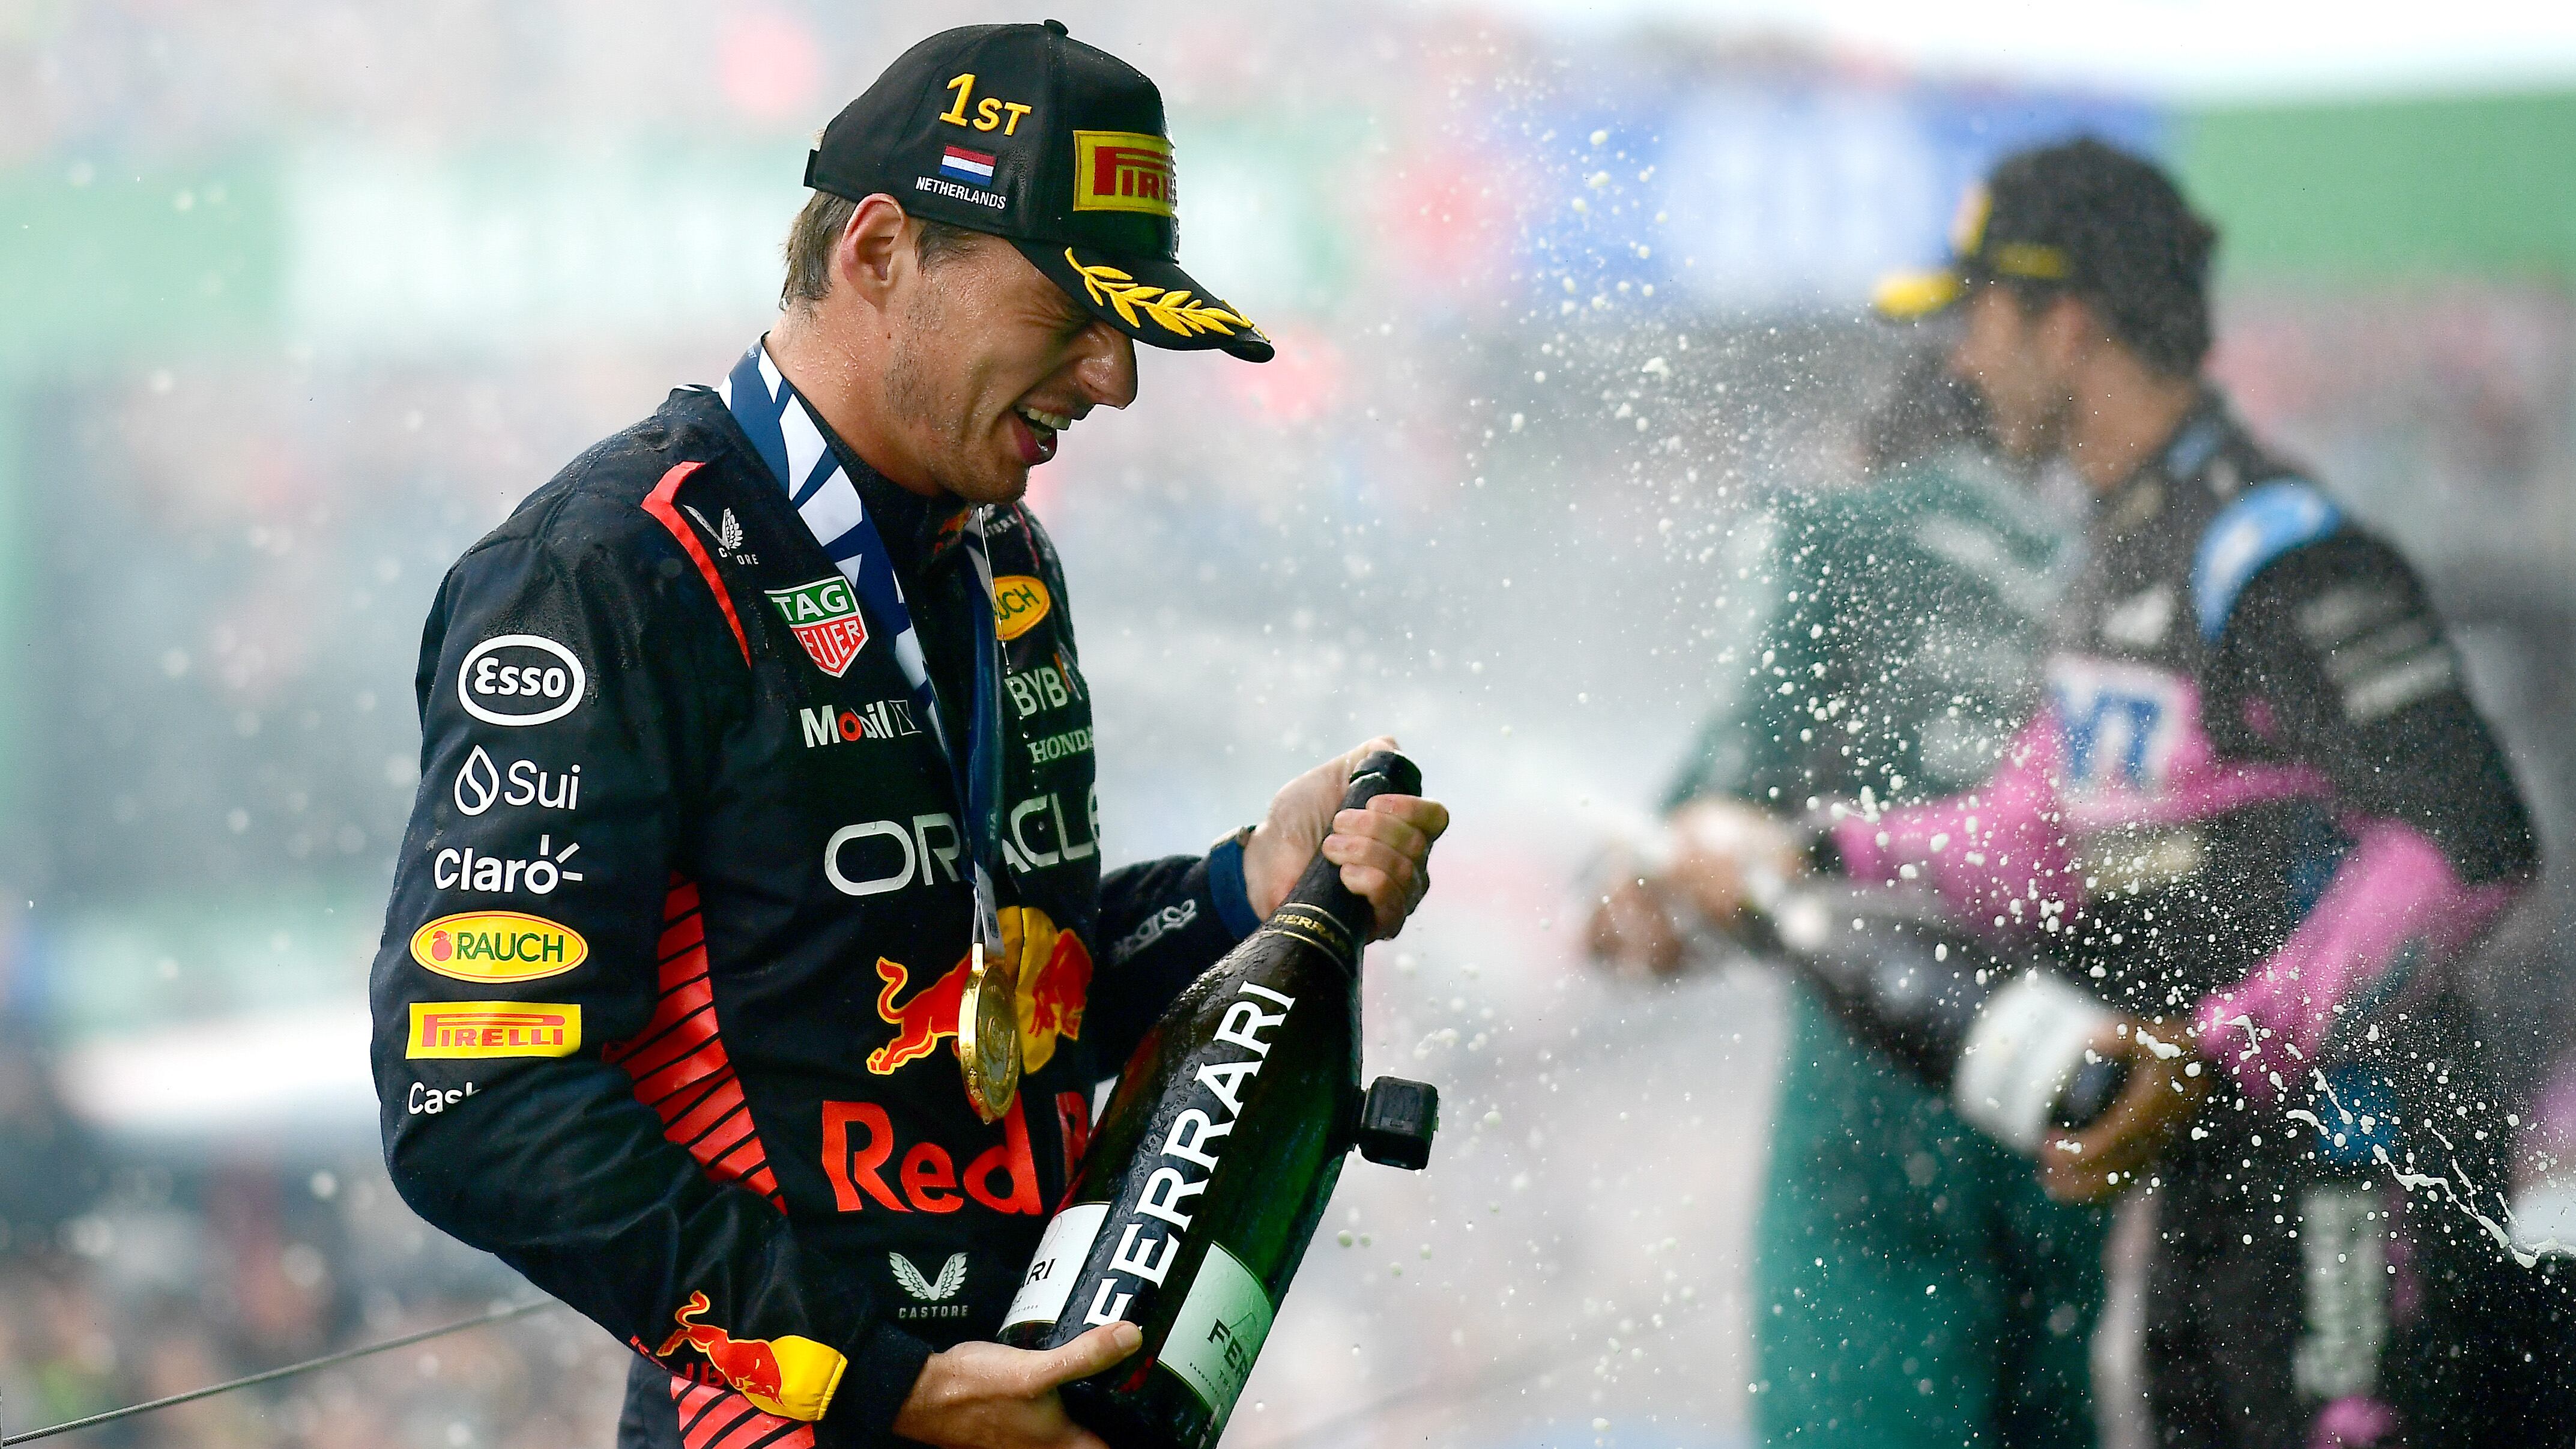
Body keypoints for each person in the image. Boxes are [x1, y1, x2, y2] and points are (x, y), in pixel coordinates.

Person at [366, 23, 1448, 1449]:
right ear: (880, 253)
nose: (1115, 379)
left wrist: (1243, 887)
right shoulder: (602, 571)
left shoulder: (1001, 558)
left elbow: (990, 997)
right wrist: (882, 1377)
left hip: (1047, 1392)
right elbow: (476, 1095)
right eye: (1075, 311)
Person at [1673, 138, 2557, 1447]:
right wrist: (1809, 852)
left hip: (2356, 1179)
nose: (1961, 361)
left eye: (1980, 319)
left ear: (2065, 321)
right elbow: (2037, 838)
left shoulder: (2277, 550)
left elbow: (2474, 839)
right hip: (2214, 1179)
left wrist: (2218, 1053)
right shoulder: (2121, 553)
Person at [1592, 349, 2106, 1446]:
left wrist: (1642, 889)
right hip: (2073, 1103)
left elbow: (1703, 837)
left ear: (1871, 431)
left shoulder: (1837, 535)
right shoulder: (2097, 555)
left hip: (1878, 1122)